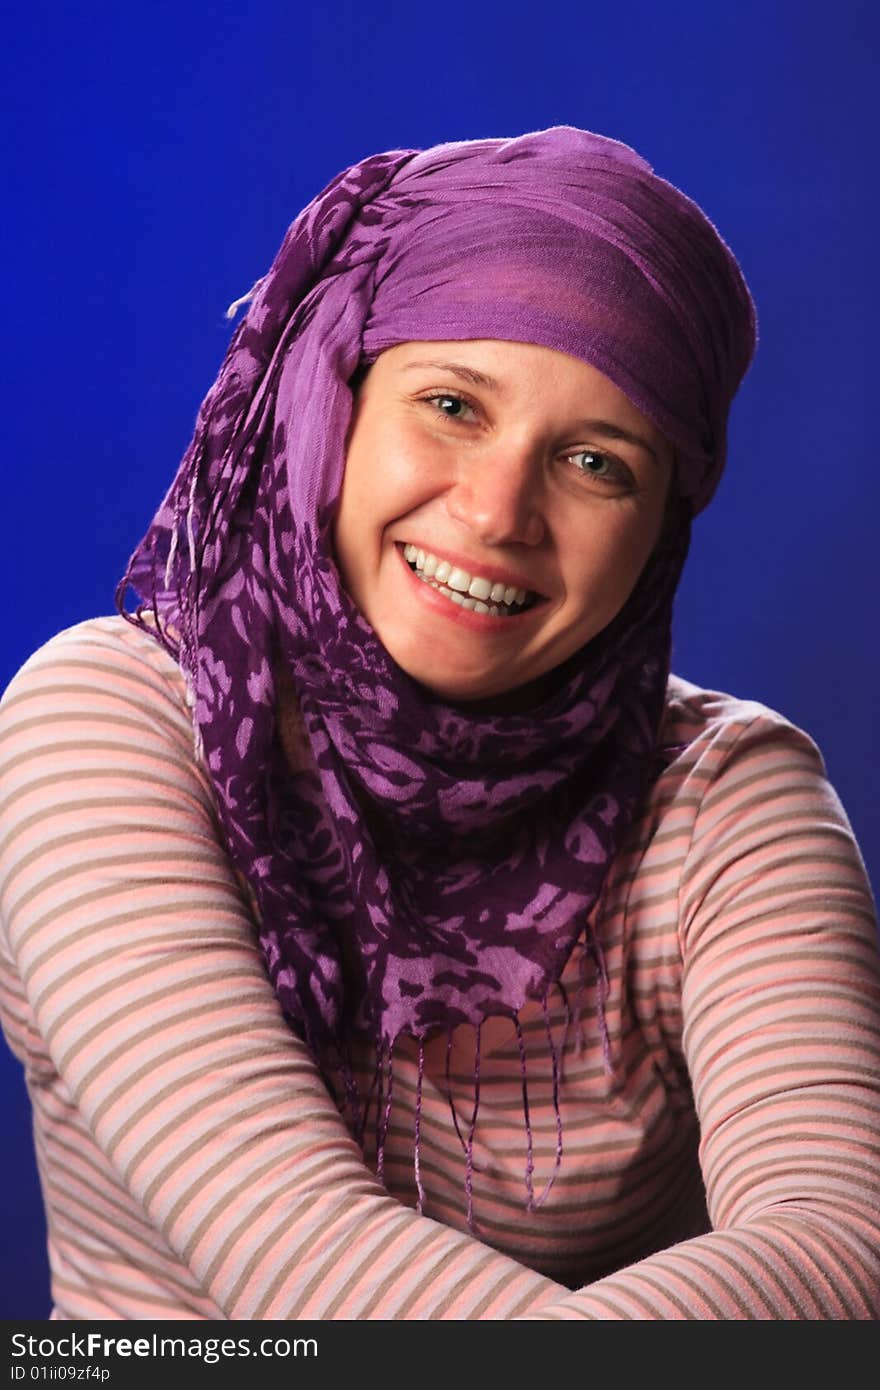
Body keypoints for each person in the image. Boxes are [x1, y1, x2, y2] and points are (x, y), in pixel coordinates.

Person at [1, 126, 878, 1321]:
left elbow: (845, 1245)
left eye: (594, 461)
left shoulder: (726, 798)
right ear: (332, 401)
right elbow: (295, 1256)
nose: (498, 508)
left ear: (661, 524)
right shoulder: (108, 722)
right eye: (452, 404)